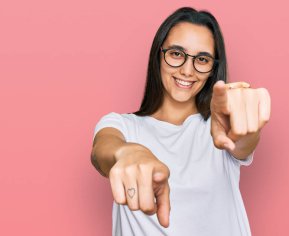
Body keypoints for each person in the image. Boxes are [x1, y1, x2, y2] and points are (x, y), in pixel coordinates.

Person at [91, 6, 271, 236]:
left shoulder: (219, 128)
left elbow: (243, 140)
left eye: (202, 59)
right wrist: (125, 153)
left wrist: (246, 123)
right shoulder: (122, 126)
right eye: (176, 54)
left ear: (212, 69)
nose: (187, 70)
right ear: (159, 55)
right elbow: (102, 151)